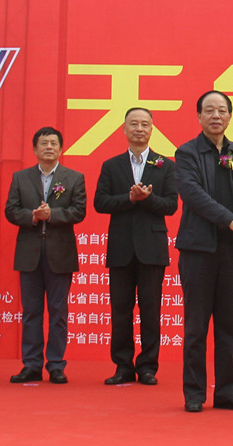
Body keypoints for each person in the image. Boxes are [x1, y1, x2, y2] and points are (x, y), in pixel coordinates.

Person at [175, 90, 233, 412]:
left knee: (229, 327)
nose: (216, 116)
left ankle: (228, 391)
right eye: (209, 110)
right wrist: (230, 220)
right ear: (199, 116)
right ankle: (194, 393)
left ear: (230, 116)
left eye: (222, 111)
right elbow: (193, 194)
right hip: (198, 252)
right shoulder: (187, 153)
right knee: (196, 326)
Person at [94, 108, 178, 386]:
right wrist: (129, 199)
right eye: (134, 124)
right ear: (124, 129)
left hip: (152, 248)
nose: (139, 128)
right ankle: (122, 366)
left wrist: (146, 199)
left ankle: (148, 367)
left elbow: (171, 205)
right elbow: (100, 202)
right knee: (121, 311)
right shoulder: (111, 165)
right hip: (120, 247)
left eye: (144, 124)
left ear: (152, 129)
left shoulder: (165, 165)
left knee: (150, 310)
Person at [5, 127, 87, 384]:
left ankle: (56, 365)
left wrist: (52, 215)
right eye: (44, 143)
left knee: (58, 311)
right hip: (29, 252)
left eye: (53, 143)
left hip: (60, 253)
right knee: (31, 312)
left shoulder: (74, 178)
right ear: (35, 149)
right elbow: (11, 210)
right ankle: (31, 364)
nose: (49, 147)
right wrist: (32, 216)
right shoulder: (21, 177)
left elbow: (79, 211)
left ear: (61, 149)